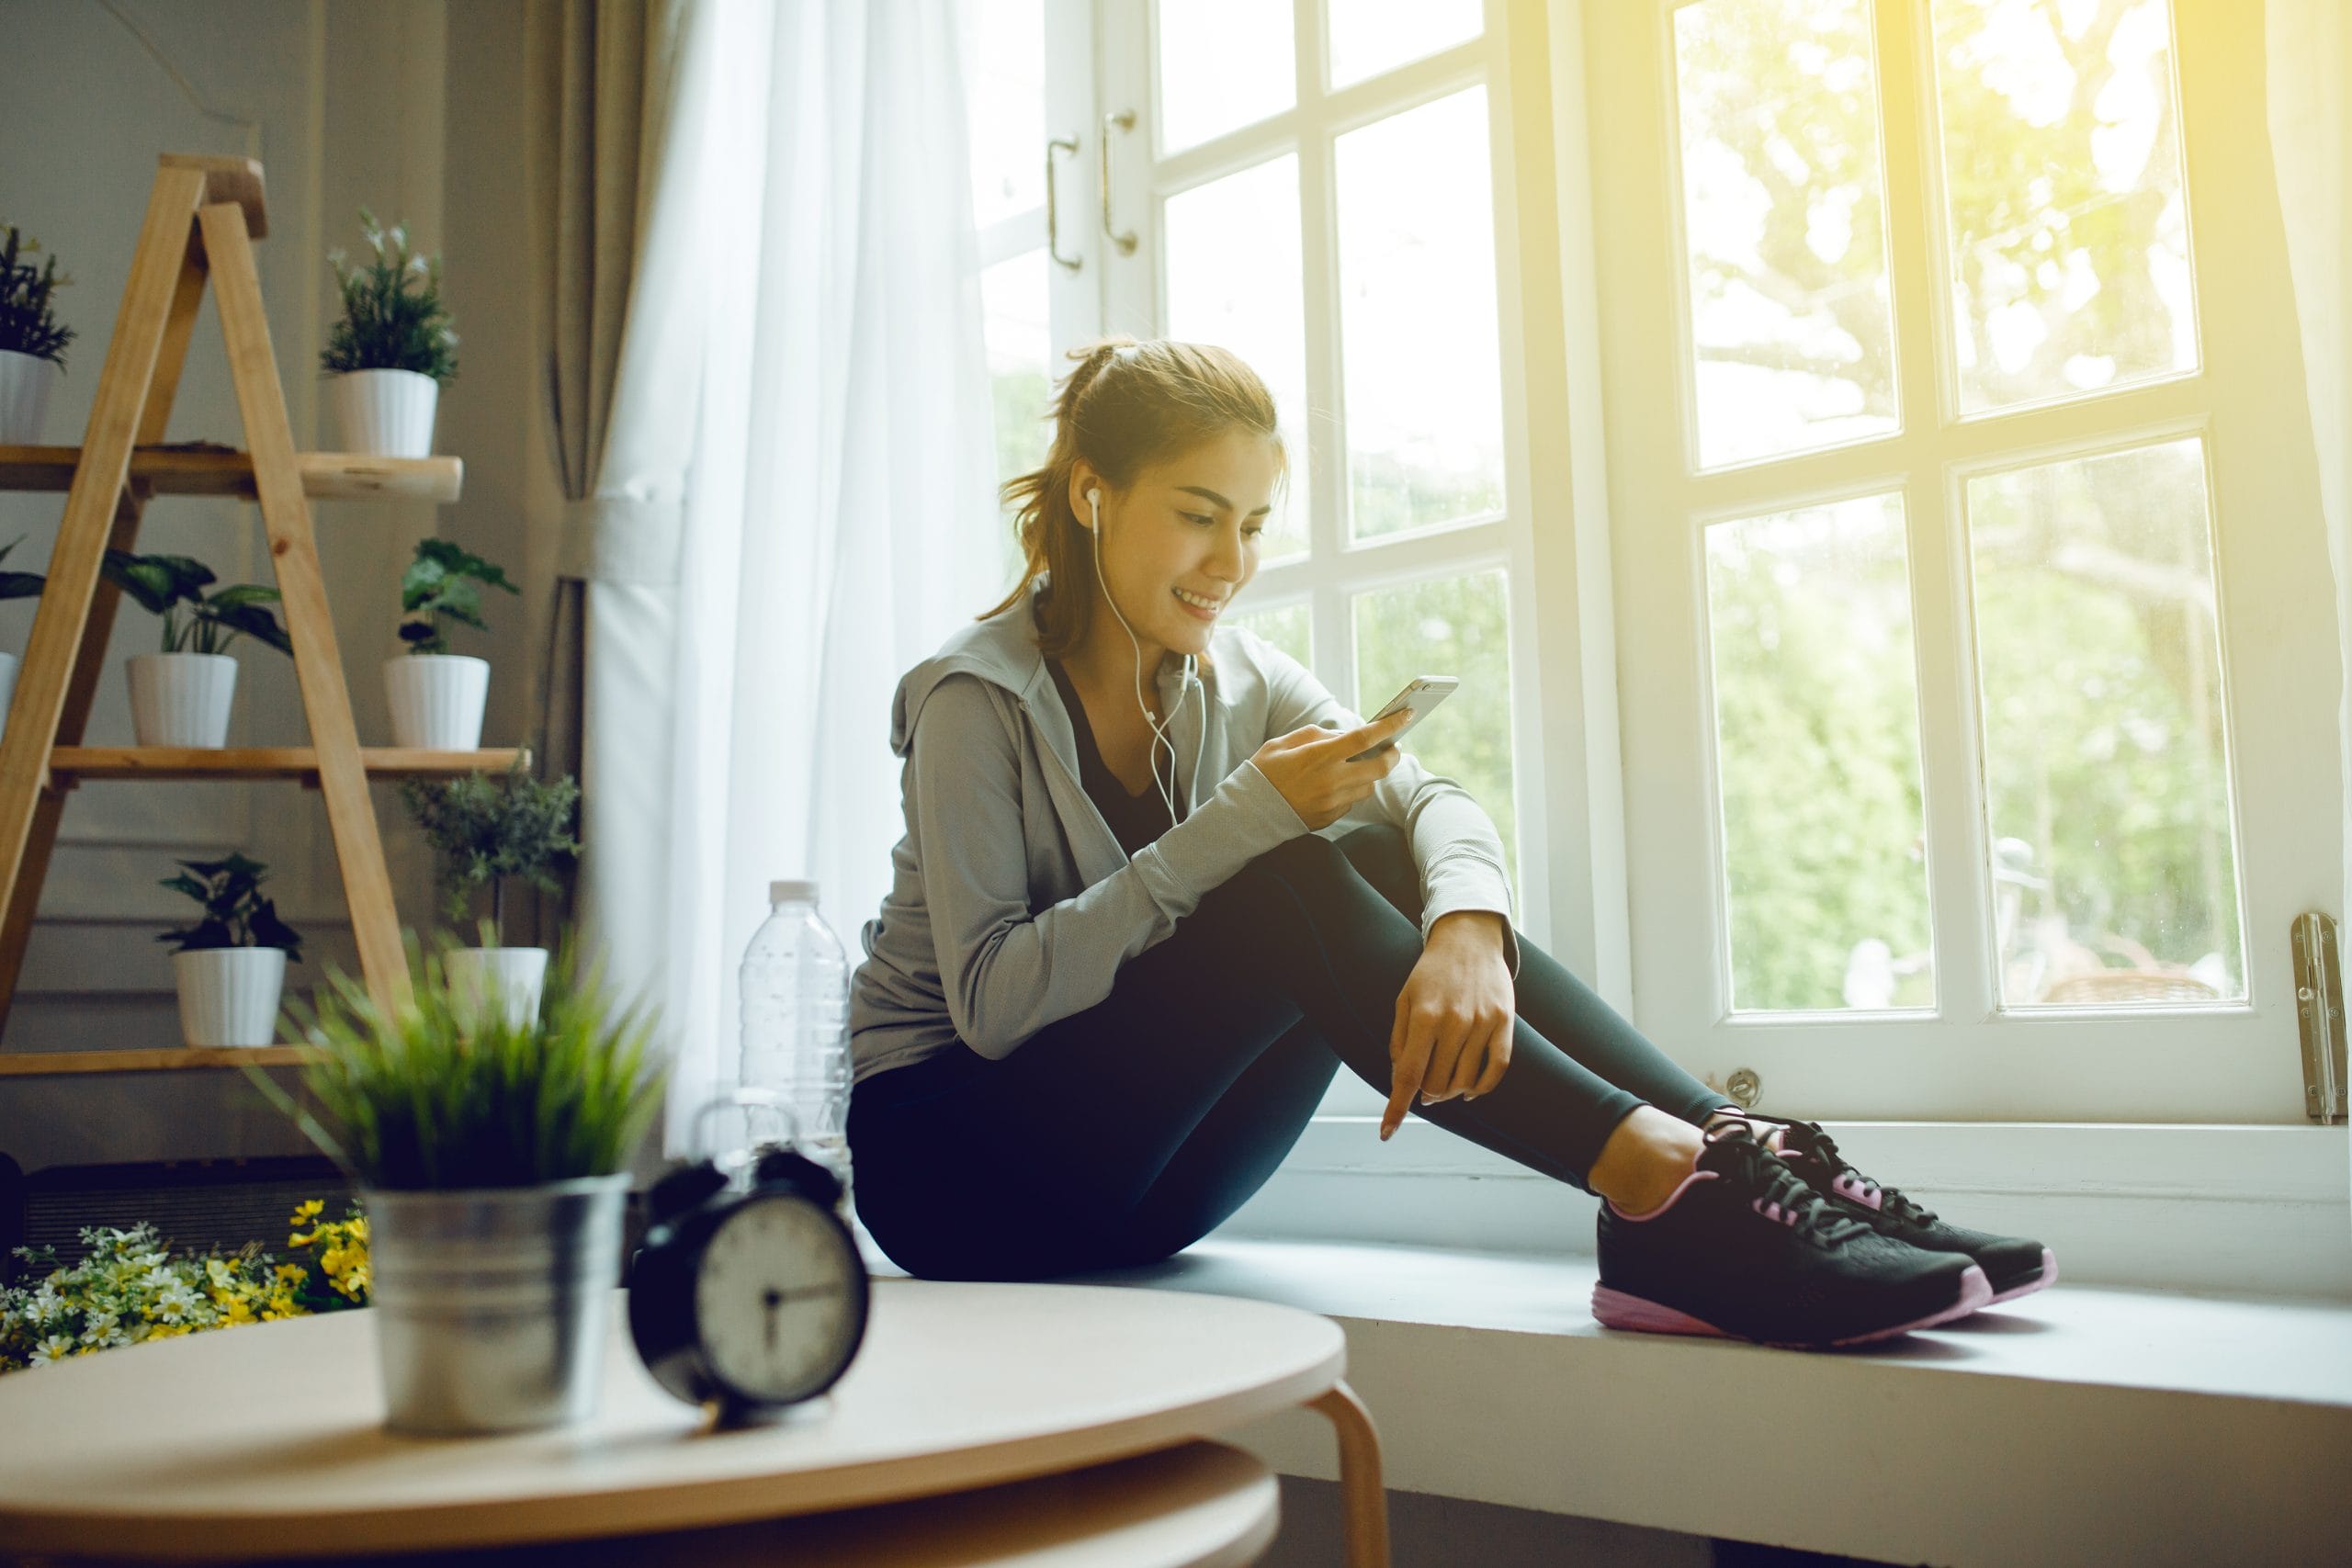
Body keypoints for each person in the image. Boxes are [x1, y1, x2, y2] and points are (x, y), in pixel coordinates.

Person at [845, 338, 2053, 1349]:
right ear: (1091, 493)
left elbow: (1432, 804)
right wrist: (1245, 823)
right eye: (1198, 517)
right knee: (1284, 870)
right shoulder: (975, 700)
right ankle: (1655, 1186)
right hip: (958, 1174)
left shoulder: (1240, 679)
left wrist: (1467, 924)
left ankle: (1734, 1153)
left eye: (1256, 525)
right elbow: (996, 1004)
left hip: (1149, 1185)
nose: (1231, 566)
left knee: (1370, 855)